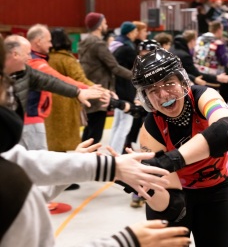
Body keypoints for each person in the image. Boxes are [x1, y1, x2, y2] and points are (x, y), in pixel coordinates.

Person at [0, 36, 191, 247]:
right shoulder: (10, 188)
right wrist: (126, 242)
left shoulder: (11, 172)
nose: (10, 87)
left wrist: (103, 166)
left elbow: (23, 167)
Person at [130, 48, 228, 247]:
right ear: (146, 97)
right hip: (179, 192)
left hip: (217, 190)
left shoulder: (203, 96)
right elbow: (170, 204)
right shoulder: (150, 130)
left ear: (183, 82)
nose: (164, 95)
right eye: (153, 90)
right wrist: (145, 184)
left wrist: (169, 160)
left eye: (169, 84)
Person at [79, 12, 132, 143]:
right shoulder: (98, 44)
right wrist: (135, 76)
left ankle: (83, 159)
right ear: (98, 26)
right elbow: (114, 67)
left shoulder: (84, 43)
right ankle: (90, 162)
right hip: (100, 92)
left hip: (89, 88)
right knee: (95, 135)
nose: (106, 25)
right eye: (105, 23)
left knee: (89, 131)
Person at [45, 28, 95, 152]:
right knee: (65, 142)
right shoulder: (67, 59)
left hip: (47, 103)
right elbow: (80, 79)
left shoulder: (46, 58)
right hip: (65, 104)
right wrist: (98, 89)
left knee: (52, 141)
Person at [109, 21, 138, 155]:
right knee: (124, 125)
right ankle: (116, 154)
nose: (137, 33)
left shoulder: (116, 45)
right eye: (135, 31)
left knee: (117, 123)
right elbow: (137, 66)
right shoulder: (127, 48)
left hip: (117, 87)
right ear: (130, 32)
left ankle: (112, 150)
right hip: (126, 88)